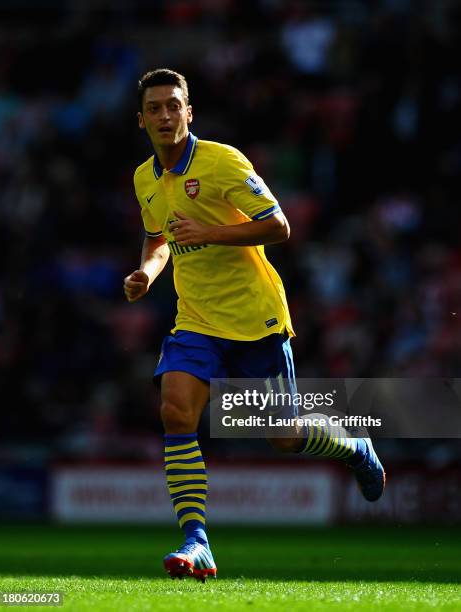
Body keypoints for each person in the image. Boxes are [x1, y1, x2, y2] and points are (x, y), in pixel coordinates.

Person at [124, 68, 385, 582]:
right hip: (195, 319)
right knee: (176, 411)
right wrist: (146, 274)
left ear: (188, 112)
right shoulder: (143, 179)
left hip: (255, 318)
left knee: (282, 436)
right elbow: (158, 240)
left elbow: (279, 225)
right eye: (154, 108)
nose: (164, 115)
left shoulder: (222, 161)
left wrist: (210, 230)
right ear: (141, 119)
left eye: (173, 105)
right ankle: (197, 542)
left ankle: (355, 447)